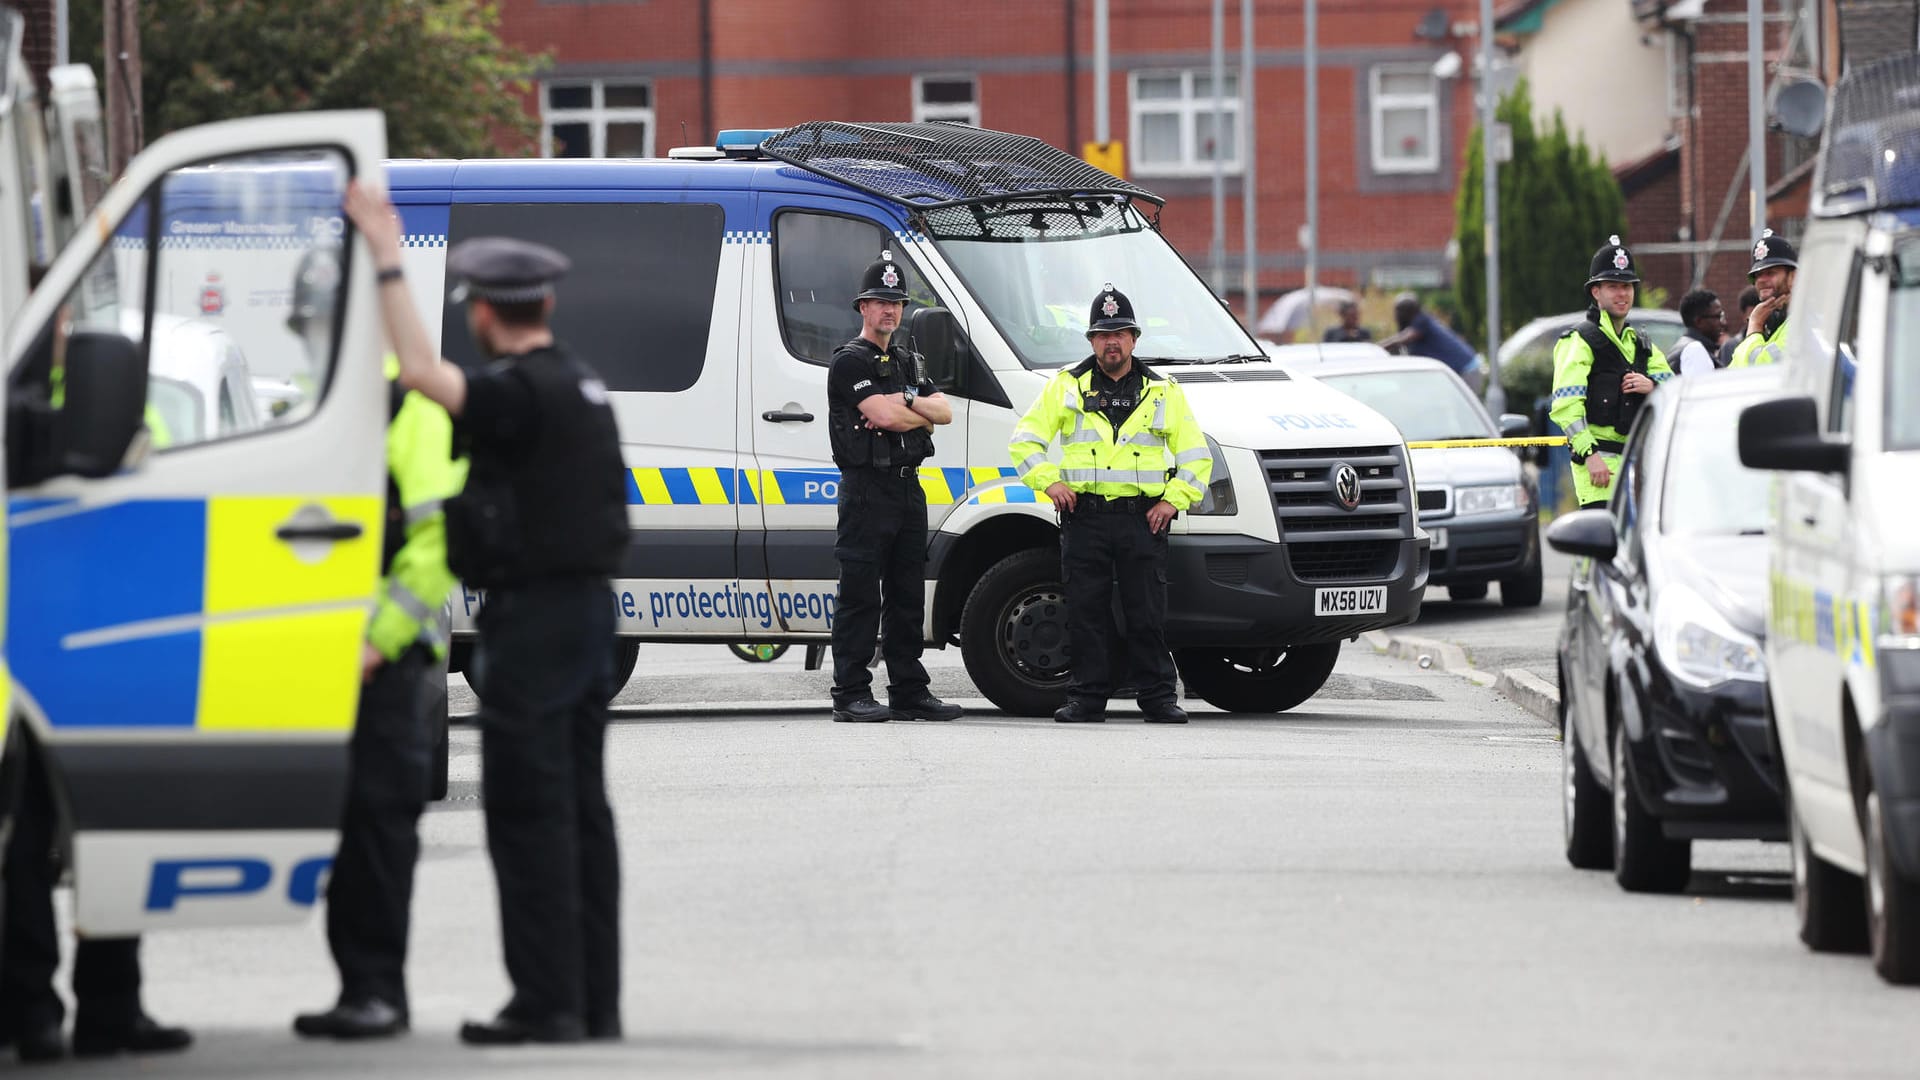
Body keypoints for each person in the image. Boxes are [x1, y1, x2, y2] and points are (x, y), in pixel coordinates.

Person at [344, 180, 628, 1046]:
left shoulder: (515, 393)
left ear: (485, 315)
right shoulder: (581, 384)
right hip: (590, 618)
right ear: (542, 301)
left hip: (535, 626)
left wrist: (387, 257)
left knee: (528, 815)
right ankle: (592, 1001)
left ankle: (545, 1004)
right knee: (582, 813)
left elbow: (423, 375)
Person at [292, 243, 468, 1040]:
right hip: (321, 659)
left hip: (387, 665)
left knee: (379, 832)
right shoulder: (312, 413)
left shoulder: (413, 412)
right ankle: (354, 986)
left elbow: (434, 548)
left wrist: (377, 640)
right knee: (343, 830)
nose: (318, 343)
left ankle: (377, 991)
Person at [1009, 284, 1210, 724]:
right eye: (1103, 334)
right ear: (1091, 340)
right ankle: (1086, 699)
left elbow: (1197, 456)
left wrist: (1172, 502)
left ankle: (1158, 698)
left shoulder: (1163, 391)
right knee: (1086, 613)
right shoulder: (1066, 386)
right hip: (1086, 519)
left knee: (1147, 614)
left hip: (1144, 520)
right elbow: (1024, 442)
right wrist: (1050, 483)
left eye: (1119, 332)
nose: (1111, 341)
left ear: (1135, 338)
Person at [825, 252, 964, 723]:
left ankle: (908, 690)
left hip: (908, 490)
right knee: (861, 594)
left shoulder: (907, 360)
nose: (890, 310)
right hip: (867, 491)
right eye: (881, 301)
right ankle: (850, 693)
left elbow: (942, 414)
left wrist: (905, 402)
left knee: (907, 595)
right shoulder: (849, 361)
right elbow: (882, 417)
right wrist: (913, 412)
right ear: (862, 307)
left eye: (897, 302)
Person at [1549, 235, 1675, 510]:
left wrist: (1652, 386)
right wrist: (1591, 455)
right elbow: (1565, 407)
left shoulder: (1640, 343)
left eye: (1627, 286)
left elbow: (1674, 388)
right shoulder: (1579, 341)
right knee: (1600, 550)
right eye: (1613, 286)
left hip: (1638, 467)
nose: (1623, 294)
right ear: (1596, 292)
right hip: (1599, 471)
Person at [1378, 293, 1483, 392]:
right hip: (1460, 372)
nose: (1396, 316)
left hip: (1467, 371)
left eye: (1399, 311)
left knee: (1457, 408)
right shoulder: (1415, 325)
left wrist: (1377, 347)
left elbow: (1402, 339)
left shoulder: (1422, 322)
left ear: (1409, 312)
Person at [1729, 229, 1796, 368]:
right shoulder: (1772, 322)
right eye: (1757, 275)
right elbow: (1733, 374)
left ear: (1793, 277)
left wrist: (1754, 325)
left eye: (1770, 273)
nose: (1761, 280)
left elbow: (1758, 371)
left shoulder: (1802, 323)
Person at [1672, 288, 1725, 377]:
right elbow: (1703, 389)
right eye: (1718, 316)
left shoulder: (1686, 346)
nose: (1723, 323)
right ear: (1699, 321)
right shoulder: (1694, 350)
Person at [1715, 286, 1761, 368]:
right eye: (1753, 316)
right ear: (1744, 316)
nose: (1758, 319)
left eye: (1761, 314)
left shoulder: (1778, 341)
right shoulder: (1730, 347)